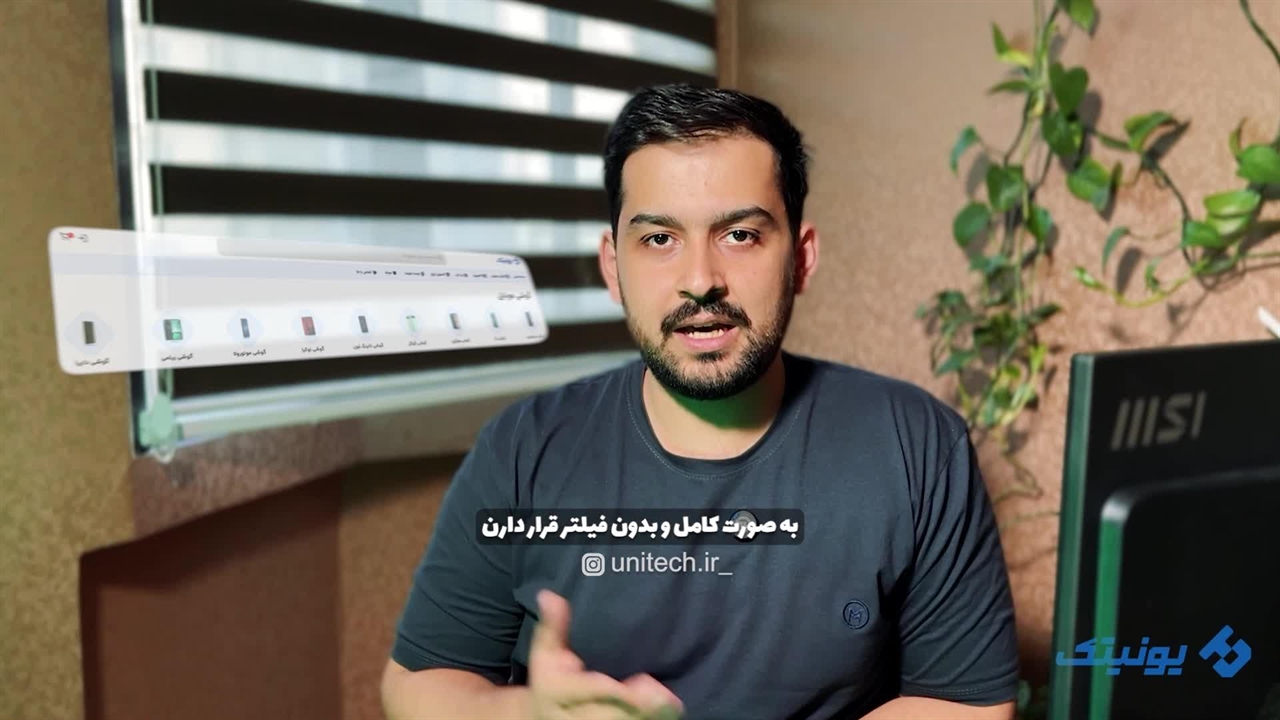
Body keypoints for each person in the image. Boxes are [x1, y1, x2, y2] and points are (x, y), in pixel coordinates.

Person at [381, 84, 1019, 720]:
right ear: (613, 267)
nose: (699, 281)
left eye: (739, 235)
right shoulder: (524, 449)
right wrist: (529, 716)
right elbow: (419, 682)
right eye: (659, 239)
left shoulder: (917, 446)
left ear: (800, 259)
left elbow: (966, 705)